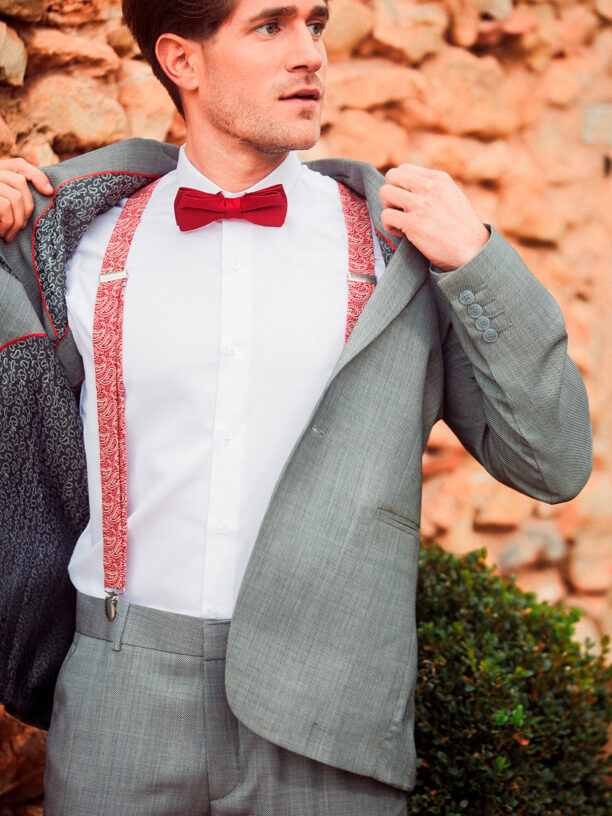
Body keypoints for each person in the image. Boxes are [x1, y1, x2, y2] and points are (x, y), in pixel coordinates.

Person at [0, 0, 592, 813]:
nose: (311, 53)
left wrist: (481, 263)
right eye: (271, 26)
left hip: (329, 710)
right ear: (182, 59)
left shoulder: (395, 254)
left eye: (314, 24)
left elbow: (552, 459)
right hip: (118, 694)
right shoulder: (74, 242)